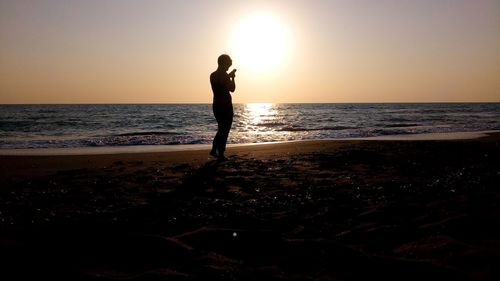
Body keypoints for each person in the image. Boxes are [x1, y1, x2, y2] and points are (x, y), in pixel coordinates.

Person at [210, 54, 236, 161]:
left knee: (221, 128)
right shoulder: (224, 75)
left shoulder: (213, 75)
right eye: (228, 63)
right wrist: (232, 78)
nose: (229, 66)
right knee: (224, 130)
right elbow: (232, 88)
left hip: (216, 105)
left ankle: (214, 150)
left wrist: (228, 76)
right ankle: (220, 153)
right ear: (224, 63)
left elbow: (219, 84)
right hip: (225, 106)